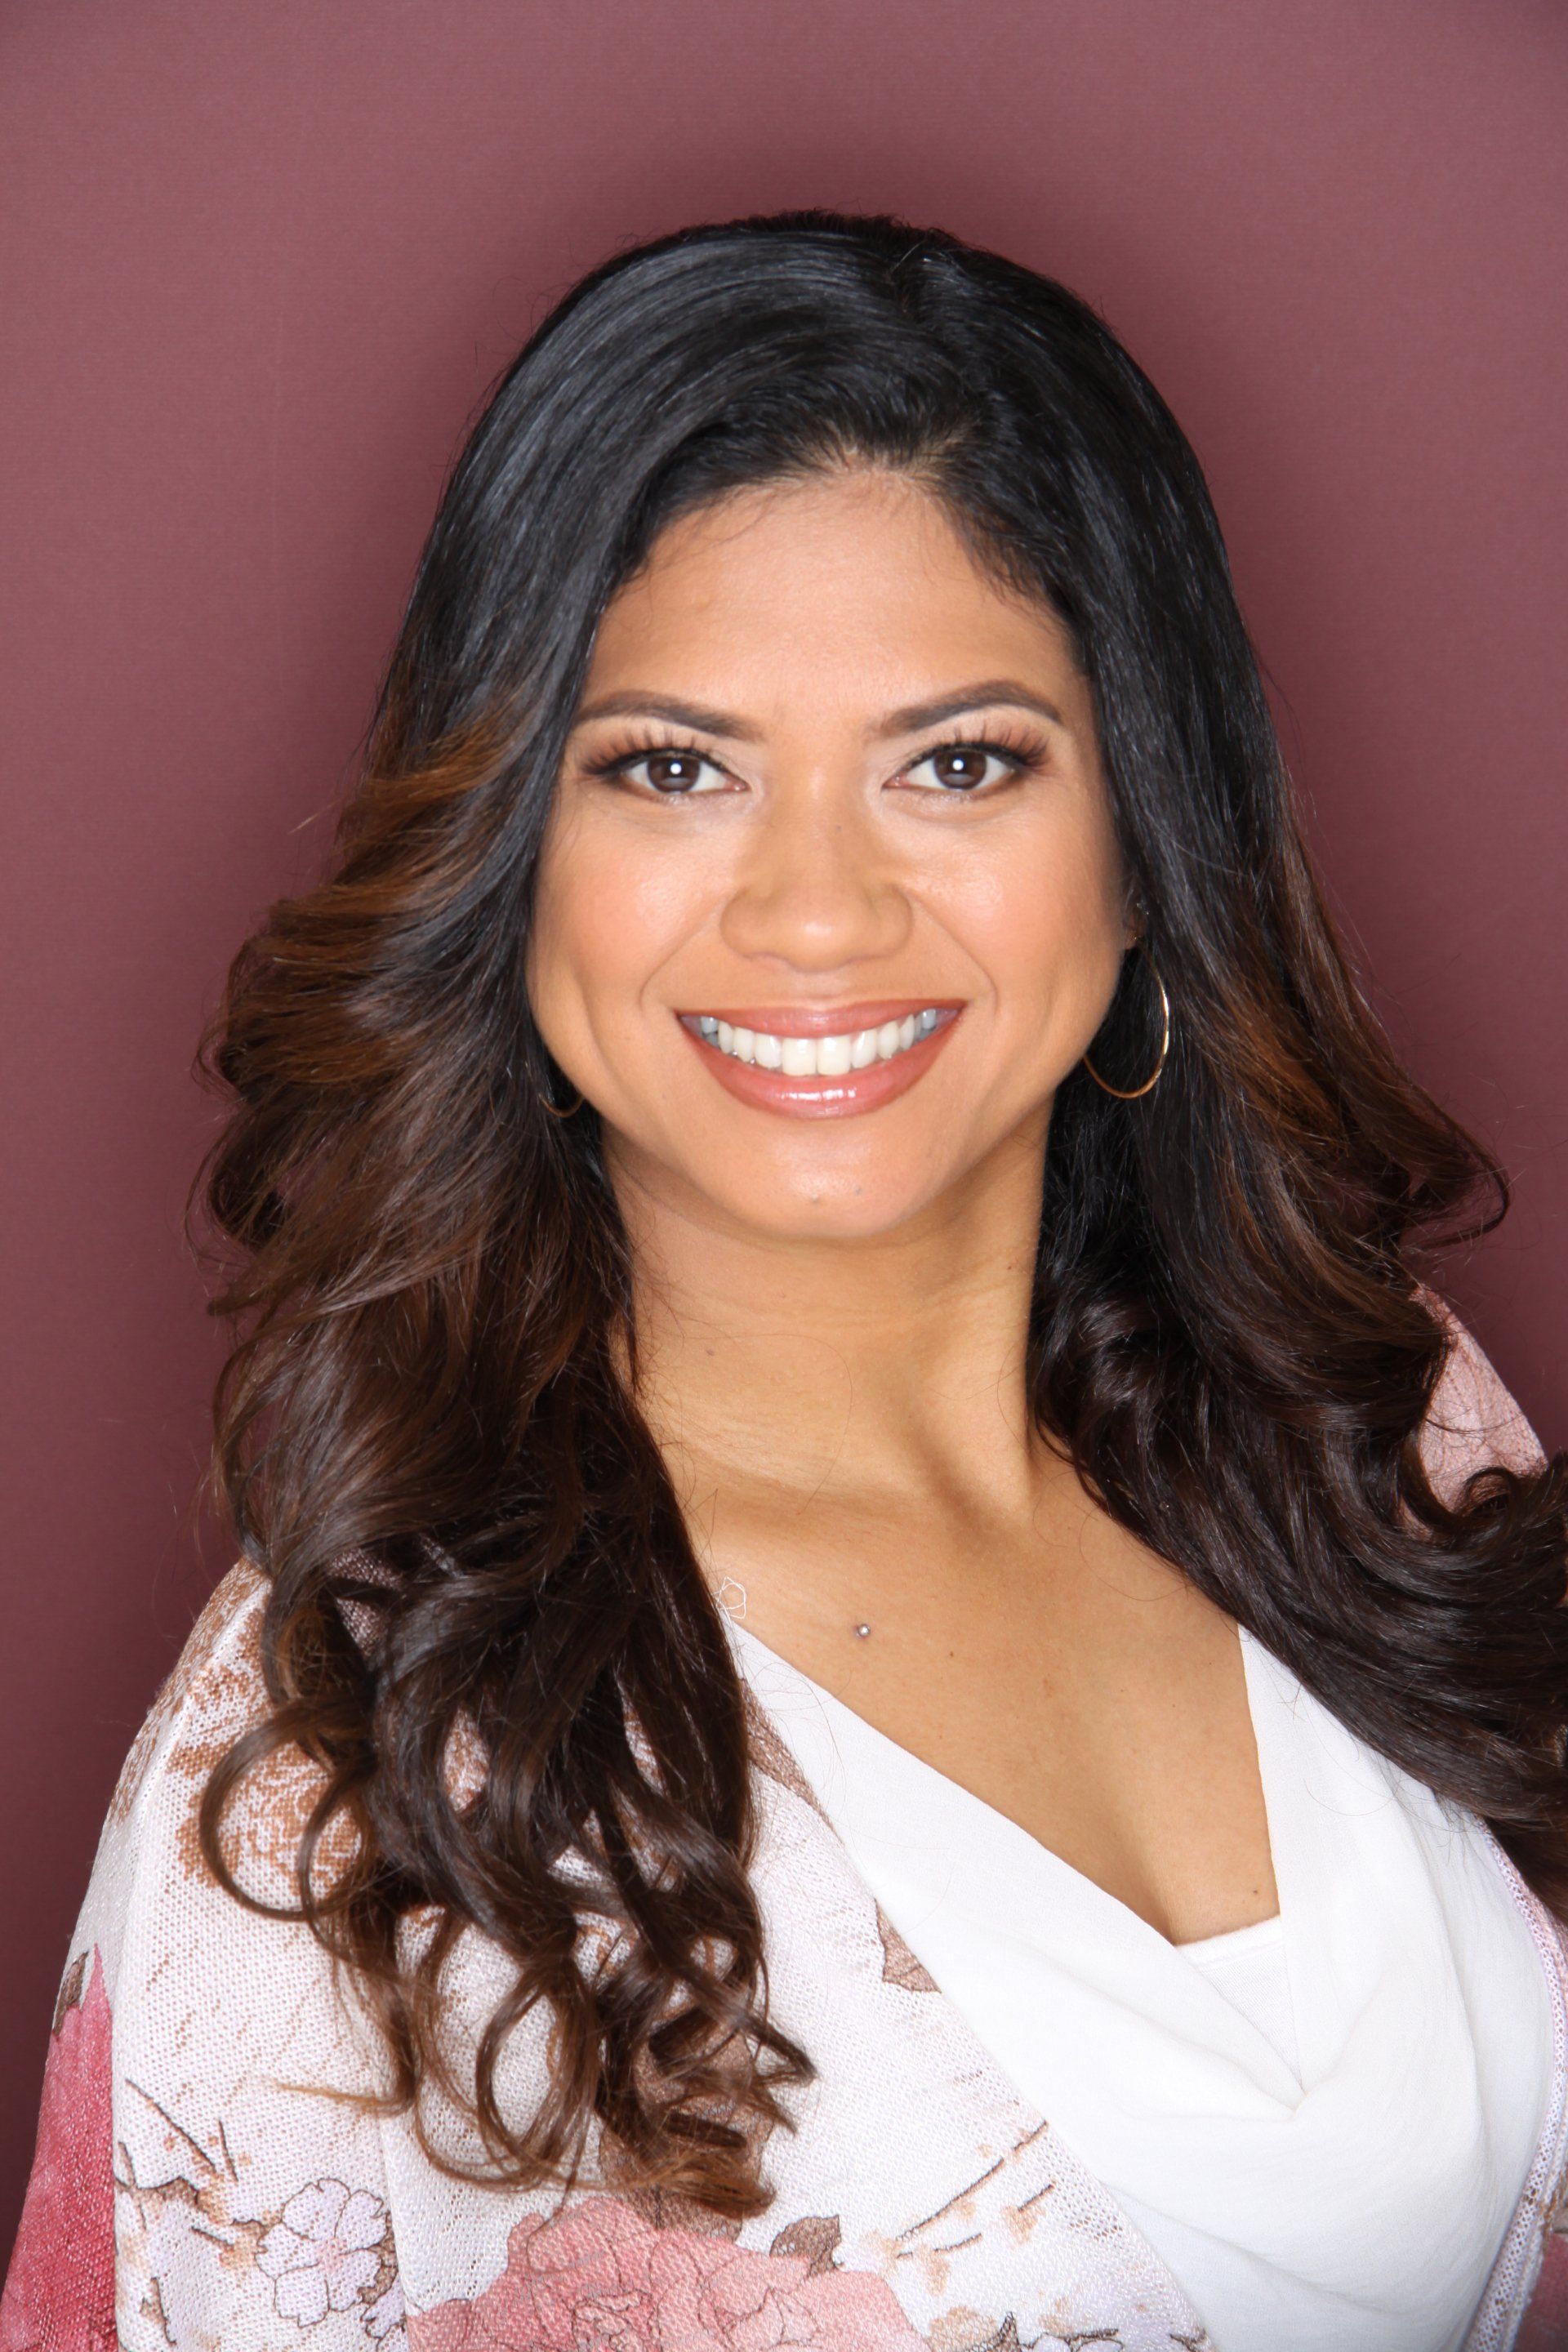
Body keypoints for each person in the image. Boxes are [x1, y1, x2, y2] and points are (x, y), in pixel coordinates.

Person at [4, 209, 1566, 2352]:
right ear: (513, 861)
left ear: (1141, 852)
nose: (817, 911)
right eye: (673, 768)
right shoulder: (345, 1769)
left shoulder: (1387, 1427)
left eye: (958, 761)